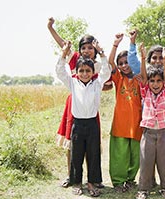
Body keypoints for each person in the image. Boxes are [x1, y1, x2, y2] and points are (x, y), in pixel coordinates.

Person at [47, 17, 105, 189]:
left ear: (95, 50)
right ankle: (71, 176)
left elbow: (106, 81)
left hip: (90, 109)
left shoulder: (99, 66)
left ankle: (93, 179)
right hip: (74, 107)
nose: (87, 51)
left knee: (92, 146)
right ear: (80, 50)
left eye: (90, 48)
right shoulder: (75, 61)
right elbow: (63, 45)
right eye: (84, 48)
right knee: (72, 143)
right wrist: (51, 28)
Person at [128, 26, 165, 187]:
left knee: (163, 153)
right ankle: (149, 180)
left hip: (164, 121)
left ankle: (164, 182)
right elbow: (133, 61)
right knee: (148, 152)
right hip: (148, 121)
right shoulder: (145, 77)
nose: (158, 61)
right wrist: (132, 43)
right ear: (149, 60)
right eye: (154, 58)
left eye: (161, 58)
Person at [55, 39, 111, 197]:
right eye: (81, 71)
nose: (85, 74)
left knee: (93, 154)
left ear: (93, 72)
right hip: (77, 124)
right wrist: (64, 53)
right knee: (76, 154)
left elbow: (106, 71)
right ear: (76, 72)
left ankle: (92, 183)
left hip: (92, 124)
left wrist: (101, 52)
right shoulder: (72, 83)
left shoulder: (97, 83)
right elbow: (60, 71)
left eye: (88, 71)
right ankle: (77, 182)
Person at [136, 42, 165, 199]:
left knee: (164, 162)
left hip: (164, 134)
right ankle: (143, 189)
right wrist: (144, 58)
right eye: (152, 81)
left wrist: (164, 59)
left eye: (158, 81)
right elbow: (144, 77)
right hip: (148, 134)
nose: (156, 84)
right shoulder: (146, 93)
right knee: (146, 162)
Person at [108, 33, 143, 193]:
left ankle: (130, 180)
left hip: (137, 124)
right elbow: (110, 63)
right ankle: (118, 182)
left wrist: (133, 43)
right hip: (120, 124)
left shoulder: (139, 79)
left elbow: (145, 73)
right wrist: (115, 45)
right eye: (121, 63)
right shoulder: (118, 79)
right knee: (119, 155)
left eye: (127, 62)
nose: (124, 65)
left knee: (135, 156)